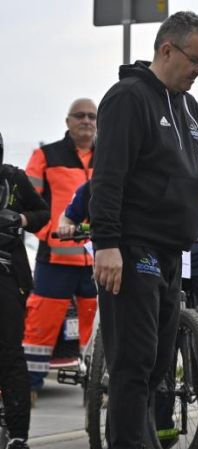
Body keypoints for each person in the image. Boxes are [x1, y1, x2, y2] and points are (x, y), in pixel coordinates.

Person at [88, 11, 198, 449]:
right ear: (167, 50)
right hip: (132, 247)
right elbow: (107, 175)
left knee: (155, 365)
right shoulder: (127, 98)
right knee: (132, 361)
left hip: (174, 249)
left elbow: (188, 173)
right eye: (196, 60)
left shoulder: (190, 107)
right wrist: (106, 244)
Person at [60, 179, 198, 440]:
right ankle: (159, 423)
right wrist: (69, 224)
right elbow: (83, 204)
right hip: (157, 256)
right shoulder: (138, 165)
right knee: (154, 337)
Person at [22, 98, 98, 400]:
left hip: (98, 260)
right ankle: (28, 387)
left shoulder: (109, 157)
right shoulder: (46, 155)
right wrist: (48, 234)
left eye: (91, 116)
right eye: (79, 115)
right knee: (40, 326)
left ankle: (96, 388)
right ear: (68, 121)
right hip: (55, 260)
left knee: (98, 328)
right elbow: (27, 202)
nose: (86, 121)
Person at [0, 131, 50, 449]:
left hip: (8, 276)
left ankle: (19, 442)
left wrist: (18, 219)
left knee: (10, 355)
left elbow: (43, 213)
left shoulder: (13, 179)